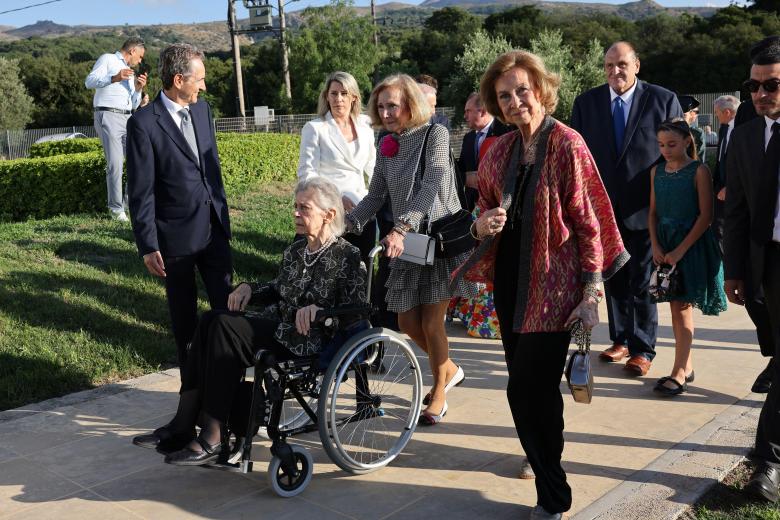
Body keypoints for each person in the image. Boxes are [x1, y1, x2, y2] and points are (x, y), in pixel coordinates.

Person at [454, 51, 628, 519]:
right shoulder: (498, 149)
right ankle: (544, 462)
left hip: (555, 290)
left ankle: (553, 492)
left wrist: (592, 293)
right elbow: (483, 210)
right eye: (504, 95)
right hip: (509, 284)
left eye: (522, 91)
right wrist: (481, 225)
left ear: (542, 90)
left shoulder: (567, 144)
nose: (515, 102)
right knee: (528, 388)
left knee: (527, 389)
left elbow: (591, 225)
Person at [141, 178, 367, 463]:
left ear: (329, 215)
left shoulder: (348, 256)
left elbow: (356, 312)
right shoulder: (295, 251)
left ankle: (211, 433)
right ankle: (186, 424)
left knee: (223, 326)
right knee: (211, 319)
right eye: (295, 207)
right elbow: (277, 287)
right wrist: (249, 287)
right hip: (280, 328)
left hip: (309, 339)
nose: (296, 213)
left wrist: (320, 313)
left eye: (304, 208)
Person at [346, 74, 475, 426]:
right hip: (406, 243)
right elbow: (375, 196)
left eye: (393, 105)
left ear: (410, 105)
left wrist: (401, 226)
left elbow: (433, 183)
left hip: (435, 240)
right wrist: (345, 224)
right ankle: (449, 369)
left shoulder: (435, 133)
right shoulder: (387, 143)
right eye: (382, 105)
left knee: (433, 323)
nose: (386, 112)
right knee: (405, 321)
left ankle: (439, 395)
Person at [128, 43, 233, 453]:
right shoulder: (144, 123)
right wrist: (147, 242)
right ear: (178, 80)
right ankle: (185, 419)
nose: (204, 85)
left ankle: (223, 416)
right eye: (200, 78)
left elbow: (212, 171)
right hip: (173, 243)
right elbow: (141, 190)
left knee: (229, 321)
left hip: (214, 234)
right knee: (186, 332)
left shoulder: (203, 111)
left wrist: (223, 216)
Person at [571, 41, 682, 377]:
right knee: (614, 278)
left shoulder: (662, 100)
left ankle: (643, 348)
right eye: (608, 66)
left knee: (643, 280)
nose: (614, 72)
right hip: (601, 211)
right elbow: (576, 158)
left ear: (636, 65)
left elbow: (677, 156)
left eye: (620, 64)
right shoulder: (586, 103)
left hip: (647, 207)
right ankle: (621, 339)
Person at [724, 36, 780, 503]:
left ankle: (768, 462)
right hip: (770, 264)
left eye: (773, 85)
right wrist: (735, 270)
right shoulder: (745, 136)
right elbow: (737, 210)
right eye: (754, 85)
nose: (761, 94)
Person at [648, 118, 727, 396]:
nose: (666, 150)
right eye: (660, 145)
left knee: (681, 308)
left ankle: (679, 372)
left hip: (690, 246)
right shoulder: (656, 171)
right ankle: (687, 365)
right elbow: (653, 213)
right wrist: (656, 246)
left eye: (671, 144)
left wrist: (681, 250)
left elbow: (706, 216)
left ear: (686, 141)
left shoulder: (699, 170)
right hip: (666, 245)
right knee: (675, 308)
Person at [297, 71, 377, 263]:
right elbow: (307, 174)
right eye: (333, 93)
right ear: (327, 96)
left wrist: (376, 199)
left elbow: (373, 167)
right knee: (328, 266)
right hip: (327, 208)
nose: (338, 99)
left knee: (361, 264)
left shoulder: (366, 126)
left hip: (361, 206)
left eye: (344, 93)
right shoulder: (315, 128)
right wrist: (335, 199)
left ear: (354, 97)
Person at [85, 37, 148, 222]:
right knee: (115, 163)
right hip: (108, 115)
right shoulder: (107, 59)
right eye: (141, 56)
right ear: (132, 51)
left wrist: (137, 89)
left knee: (136, 162)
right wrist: (114, 77)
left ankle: (129, 204)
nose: (141, 60)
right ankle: (115, 209)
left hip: (128, 117)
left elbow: (132, 104)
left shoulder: (130, 73)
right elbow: (89, 81)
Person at [458, 91, 513, 212]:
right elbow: (461, 168)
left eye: (468, 111)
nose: (465, 116)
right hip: (471, 207)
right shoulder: (468, 138)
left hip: (498, 206)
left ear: (482, 111)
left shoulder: (506, 133)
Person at [678, 95, 705, 161]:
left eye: (684, 115)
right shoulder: (668, 130)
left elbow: (699, 158)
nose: (681, 117)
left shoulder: (697, 132)